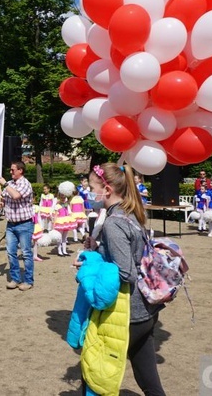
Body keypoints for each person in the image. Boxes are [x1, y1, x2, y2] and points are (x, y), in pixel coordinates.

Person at [81, 163, 166, 395]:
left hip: (127, 312)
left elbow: (125, 271)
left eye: (91, 187)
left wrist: (90, 264)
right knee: (148, 376)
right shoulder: (129, 214)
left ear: (106, 190)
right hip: (144, 312)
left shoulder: (114, 222)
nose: (89, 192)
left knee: (94, 372)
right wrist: (99, 249)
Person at [0, 161, 35, 291]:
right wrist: (1, 203)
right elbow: (5, 197)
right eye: (10, 170)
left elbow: (16, 195)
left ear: (20, 171)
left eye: (13, 170)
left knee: (26, 253)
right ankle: (15, 279)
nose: (10, 172)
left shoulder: (25, 184)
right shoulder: (10, 184)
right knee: (11, 252)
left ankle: (28, 280)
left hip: (25, 224)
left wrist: (5, 184)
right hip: (11, 224)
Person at [53, 182, 77, 256]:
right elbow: (56, 215)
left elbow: (69, 212)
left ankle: (64, 250)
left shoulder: (67, 205)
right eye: (62, 196)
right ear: (60, 197)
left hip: (66, 221)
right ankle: (59, 250)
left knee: (64, 237)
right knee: (59, 237)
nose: (63, 198)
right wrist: (54, 223)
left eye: (64, 196)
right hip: (60, 221)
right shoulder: (57, 205)